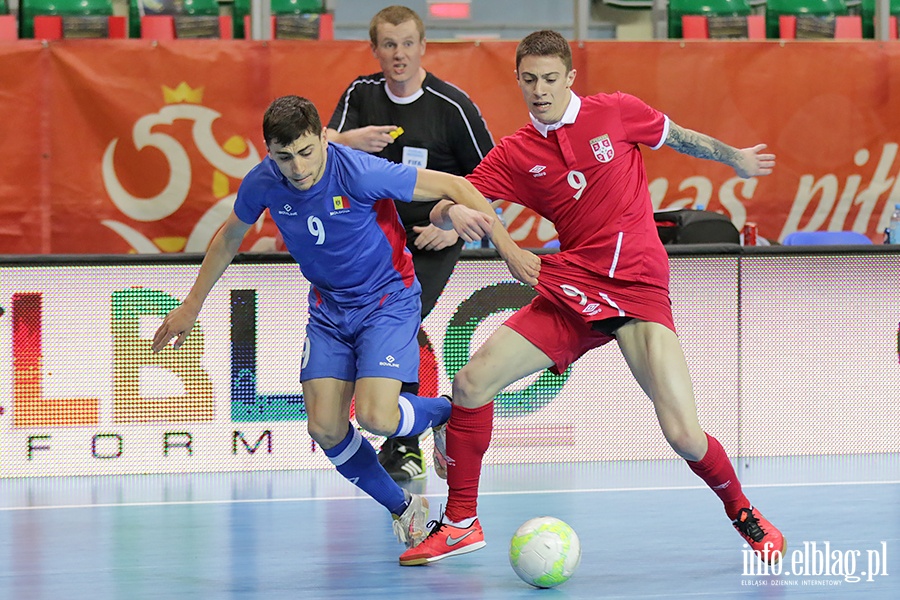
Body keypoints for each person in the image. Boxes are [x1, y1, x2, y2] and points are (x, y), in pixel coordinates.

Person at [399, 30, 786, 567]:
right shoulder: (516, 152)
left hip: (638, 290)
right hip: (573, 289)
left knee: (682, 433)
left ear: (570, 78)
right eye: (529, 80)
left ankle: (744, 511)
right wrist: (452, 215)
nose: (540, 90)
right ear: (518, 80)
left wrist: (734, 157)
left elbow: (678, 137)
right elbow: (453, 198)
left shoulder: (616, 113)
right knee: (470, 382)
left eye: (550, 79)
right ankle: (462, 520)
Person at [150, 95, 498, 553]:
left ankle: (448, 412)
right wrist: (192, 304)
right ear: (270, 152)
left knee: (377, 417)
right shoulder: (264, 182)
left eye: (306, 152)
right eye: (284, 156)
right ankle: (404, 508)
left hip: (386, 301)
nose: (297, 167)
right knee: (326, 430)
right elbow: (231, 234)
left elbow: (453, 183)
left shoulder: (358, 170)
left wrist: (504, 245)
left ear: (321, 138)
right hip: (329, 311)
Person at [327, 5, 495, 482]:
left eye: (407, 44)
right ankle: (415, 425)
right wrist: (349, 139)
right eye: (388, 44)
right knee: (380, 330)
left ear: (423, 47)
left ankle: (406, 444)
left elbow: (491, 177)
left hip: (431, 238)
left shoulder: (451, 106)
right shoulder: (361, 93)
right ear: (375, 49)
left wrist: (454, 224)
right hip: (373, 241)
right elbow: (316, 144)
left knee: (398, 324)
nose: (398, 54)